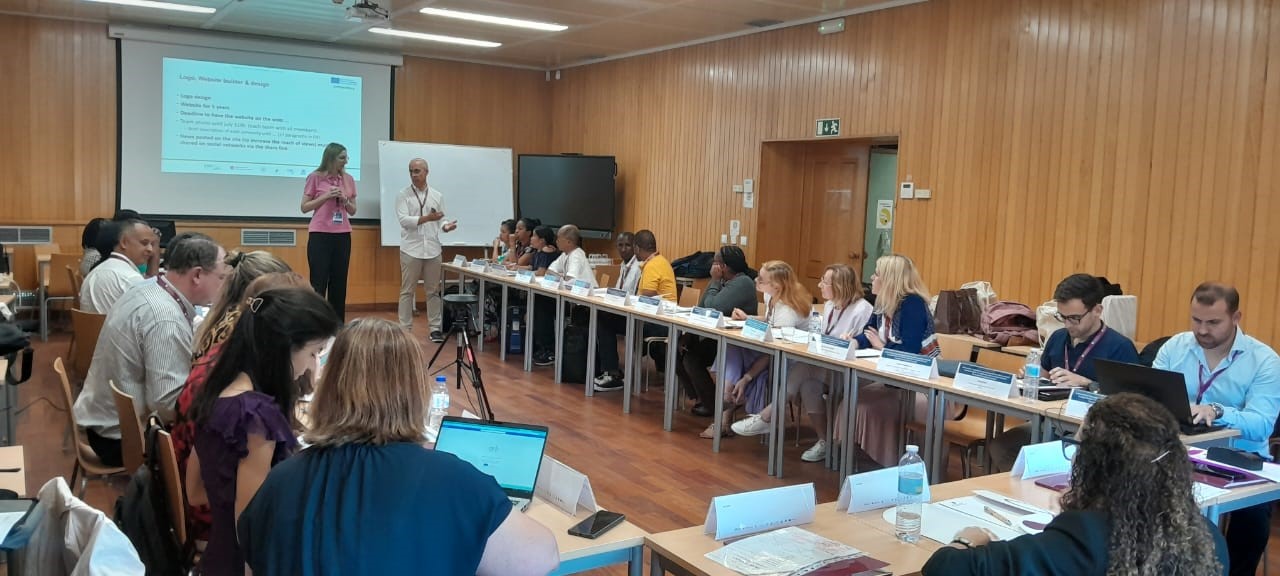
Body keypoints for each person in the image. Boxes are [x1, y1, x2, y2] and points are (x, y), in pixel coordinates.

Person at [239, 318, 561, 576]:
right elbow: (541, 559)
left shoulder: (281, 480)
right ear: (416, 390)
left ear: (330, 385)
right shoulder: (455, 481)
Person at [922, 393, 1228, 576]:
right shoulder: (1207, 536)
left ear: (1095, 461)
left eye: (1077, 445)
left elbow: (946, 568)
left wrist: (966, 541)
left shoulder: (1085, 536)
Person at [185, 287, 340, 576]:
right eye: (313, 353)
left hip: (215, 558)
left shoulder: (217, 395)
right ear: (284, 349)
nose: (311, 367)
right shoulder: (258, 418)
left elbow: (195, 492)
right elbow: (252, 530)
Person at [1153, 282, 1280, 576]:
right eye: (1196, 320)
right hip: (1177, 452)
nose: (1202, 330)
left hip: (1241, 461)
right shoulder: (1175, 347)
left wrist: (1218, 411)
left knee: (1253, 522)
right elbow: (1150, 394)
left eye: (1213, 322)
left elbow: (1261, 425)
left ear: (1236, 318)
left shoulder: (1265, 361)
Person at [73, 233, 228, 467]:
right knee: (231, 436)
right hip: (122, 439)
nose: (223, 284)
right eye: (221, 277)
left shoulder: (149, 287)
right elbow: (167, 405)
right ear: (197, 275)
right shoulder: (165, 318)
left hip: (105, 424)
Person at [172, 256, 297, 542]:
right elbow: (250, 513)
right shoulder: (246, 391)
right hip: (216, 515)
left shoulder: (227, 338)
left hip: (197, 490)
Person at [987, 274, 1139, 471]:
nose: (1068, 325)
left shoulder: (1120, 347)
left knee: (1053, 456)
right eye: (1062, 317)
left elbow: (1132, 404)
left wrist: (1087, 384)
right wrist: (1035, 377)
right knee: (1002, 447)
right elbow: (1046, 373)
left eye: (1075, 318)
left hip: (1093, 431)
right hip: (1051, 422)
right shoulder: (1058, 338)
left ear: (1097, 310)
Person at [732, 264, 873, 462]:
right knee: (808, 385)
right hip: (828, 366)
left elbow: (866, 348)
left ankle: (767, 416)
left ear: (839, 286)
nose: (819, 284)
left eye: (824, 281)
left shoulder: (862, 310)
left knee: (804, 368)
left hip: (855, 373)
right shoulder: (831, 305)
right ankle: (826, 442)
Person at [704, 260, 812, 439]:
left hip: (787, 360)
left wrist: (748, 378)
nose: (756, 281)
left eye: (761, 279)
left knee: (734, 351)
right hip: (769, 350)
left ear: (776, 285)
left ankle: (726, 402)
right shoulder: (771, 296)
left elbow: (775, 351)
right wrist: (749, 318)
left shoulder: (788, 310)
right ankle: (727, 400)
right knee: (732, 345)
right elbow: (770, 322)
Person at [850, 254, 939, 466]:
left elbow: (909, 349)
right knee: (851, 398)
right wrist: (853, 342)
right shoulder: (882, 302)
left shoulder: (913, 305)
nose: (872, 277)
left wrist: (881, 346)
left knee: (866, 404)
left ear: (890, 279)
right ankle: (865, 459)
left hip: (922, 383)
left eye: (877, 274)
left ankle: (889, 462)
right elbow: (869, 333)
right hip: (893, 377)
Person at [670, 246, 758, 410]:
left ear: (722, 266)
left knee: (692, 357)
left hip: (736, 343)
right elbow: (703, 306)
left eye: (715, 262)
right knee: (676, 349)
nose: (711, 266)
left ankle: (710, 403)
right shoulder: (725, 281)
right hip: (716, 335)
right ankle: (699, 397)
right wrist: (688, 335)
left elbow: (714, 306)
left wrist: (715, 281)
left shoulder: (743, 282)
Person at [396, 158, 458, 343]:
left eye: (417, 171)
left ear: (426, 172)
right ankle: (404, 329)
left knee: (433, 291)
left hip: (432, 249)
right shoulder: (403, 195)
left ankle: (435, 329)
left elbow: (440, 220)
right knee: (407, 291)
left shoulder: (437, 195)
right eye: (411, 171)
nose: (414, 175)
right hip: (410, 249)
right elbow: (404, 220)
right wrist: (427, 218)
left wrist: (446, 227)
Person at [301, 142, 356, 321]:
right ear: (330, 158)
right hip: (320, 235)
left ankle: (338, 325)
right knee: (319, 281)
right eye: (342, 158)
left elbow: (353, 210)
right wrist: (326, 196)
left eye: (346, 157)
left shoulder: (348, 179)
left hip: (342, 235)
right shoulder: (315, 177)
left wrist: (345, 200)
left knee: (339, 283)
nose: (345, 161)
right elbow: (304, 207)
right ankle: (317, 323)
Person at [589, 232, 647, 390]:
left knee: (604, 321)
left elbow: (634, 296)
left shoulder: (639, 267)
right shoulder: (624, 265)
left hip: (639, 316)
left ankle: (612, 373)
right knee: (597, 315)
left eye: (627, 245)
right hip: (623, 311)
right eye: (620, 245)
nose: (623, 249)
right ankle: (604, 368)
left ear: (635, 247)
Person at [80, 219, 156, 314]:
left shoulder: (94, 272)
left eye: (152, 244)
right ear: (123, 242)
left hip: (90, 328)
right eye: (144, 243)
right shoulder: (131, 279)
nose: (150, 250)